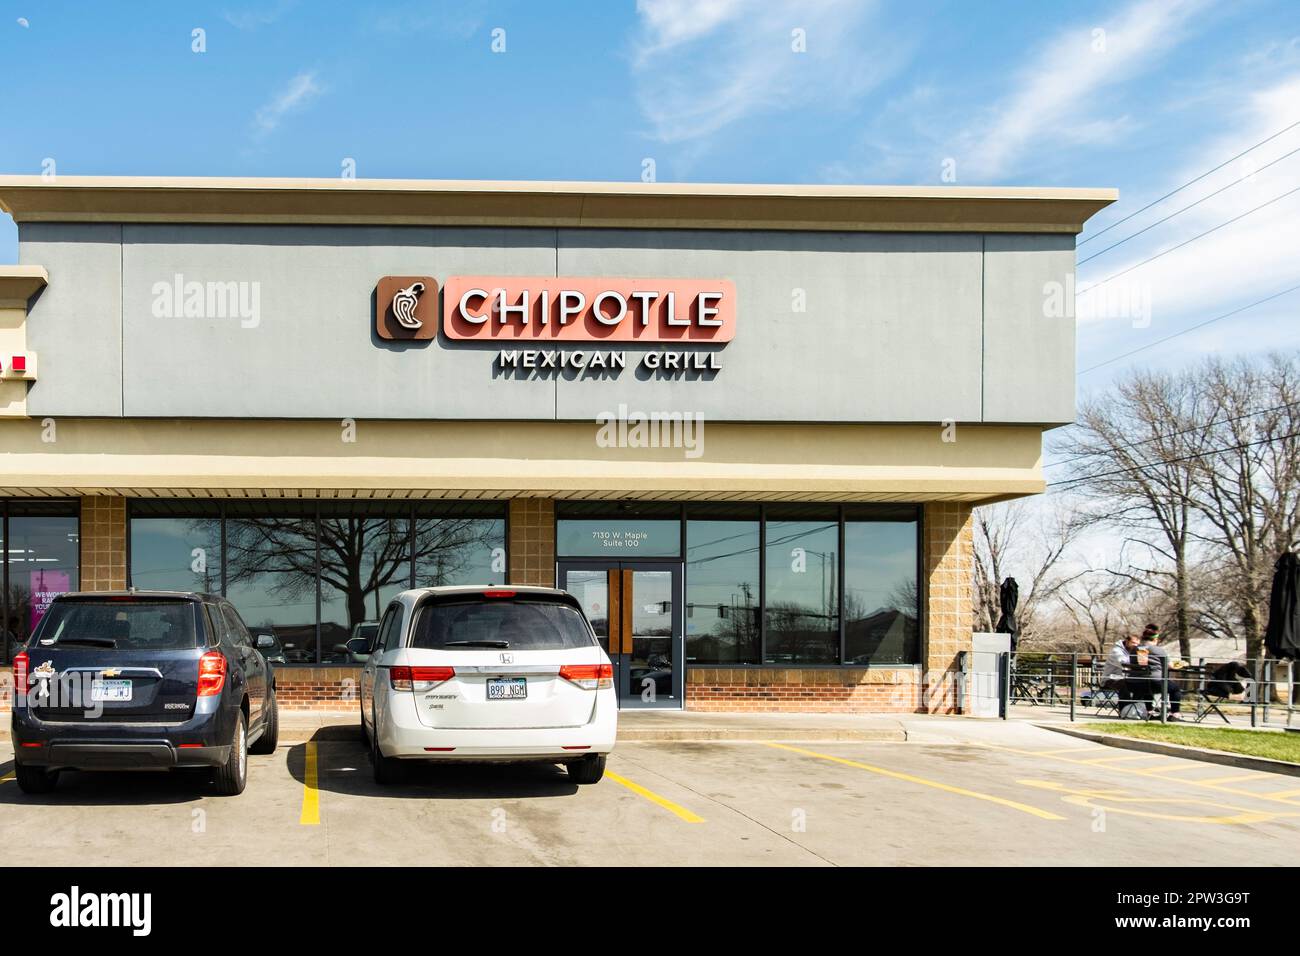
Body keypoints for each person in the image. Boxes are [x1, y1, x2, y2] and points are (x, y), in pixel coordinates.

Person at [1101, 634, 1151, 717]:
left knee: (1142, 684)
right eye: (1133, 643)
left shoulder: (1134, 651)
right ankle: (1124, 711)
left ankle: (1135, 710)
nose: (1135, 645)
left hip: (1128, 678)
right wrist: (1139, 659)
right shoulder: (1116, 651)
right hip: (1111, 679)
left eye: (1137, 644)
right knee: (1125, 685)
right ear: (1127, 641)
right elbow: (1124, 663)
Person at [1139, 624, 1182, 721]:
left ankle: (1149, 711)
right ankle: (1174, 714)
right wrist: (1180, 664)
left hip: (1138, 683)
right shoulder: (1157, 650)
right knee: (1175, 689)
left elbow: (1141, 664)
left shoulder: (1136, 649)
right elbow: (1170, 665)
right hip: (1155, 682)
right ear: (1155, 639)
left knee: (1147, 682)